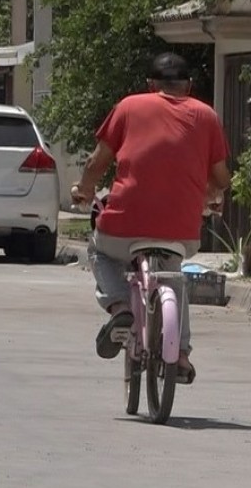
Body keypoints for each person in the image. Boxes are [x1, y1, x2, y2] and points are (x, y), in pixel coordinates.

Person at [70, 52, 230, 384]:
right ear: (189, 85)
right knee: (173, 275)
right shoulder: (207, 115)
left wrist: (84, 191)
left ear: (150, 85)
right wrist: (211, 196)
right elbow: (221, 178)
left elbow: (96, 164)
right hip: (181, 231)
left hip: (124, 224)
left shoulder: (129, 106)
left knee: (100, 251)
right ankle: (181, 355)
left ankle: (120, 309)